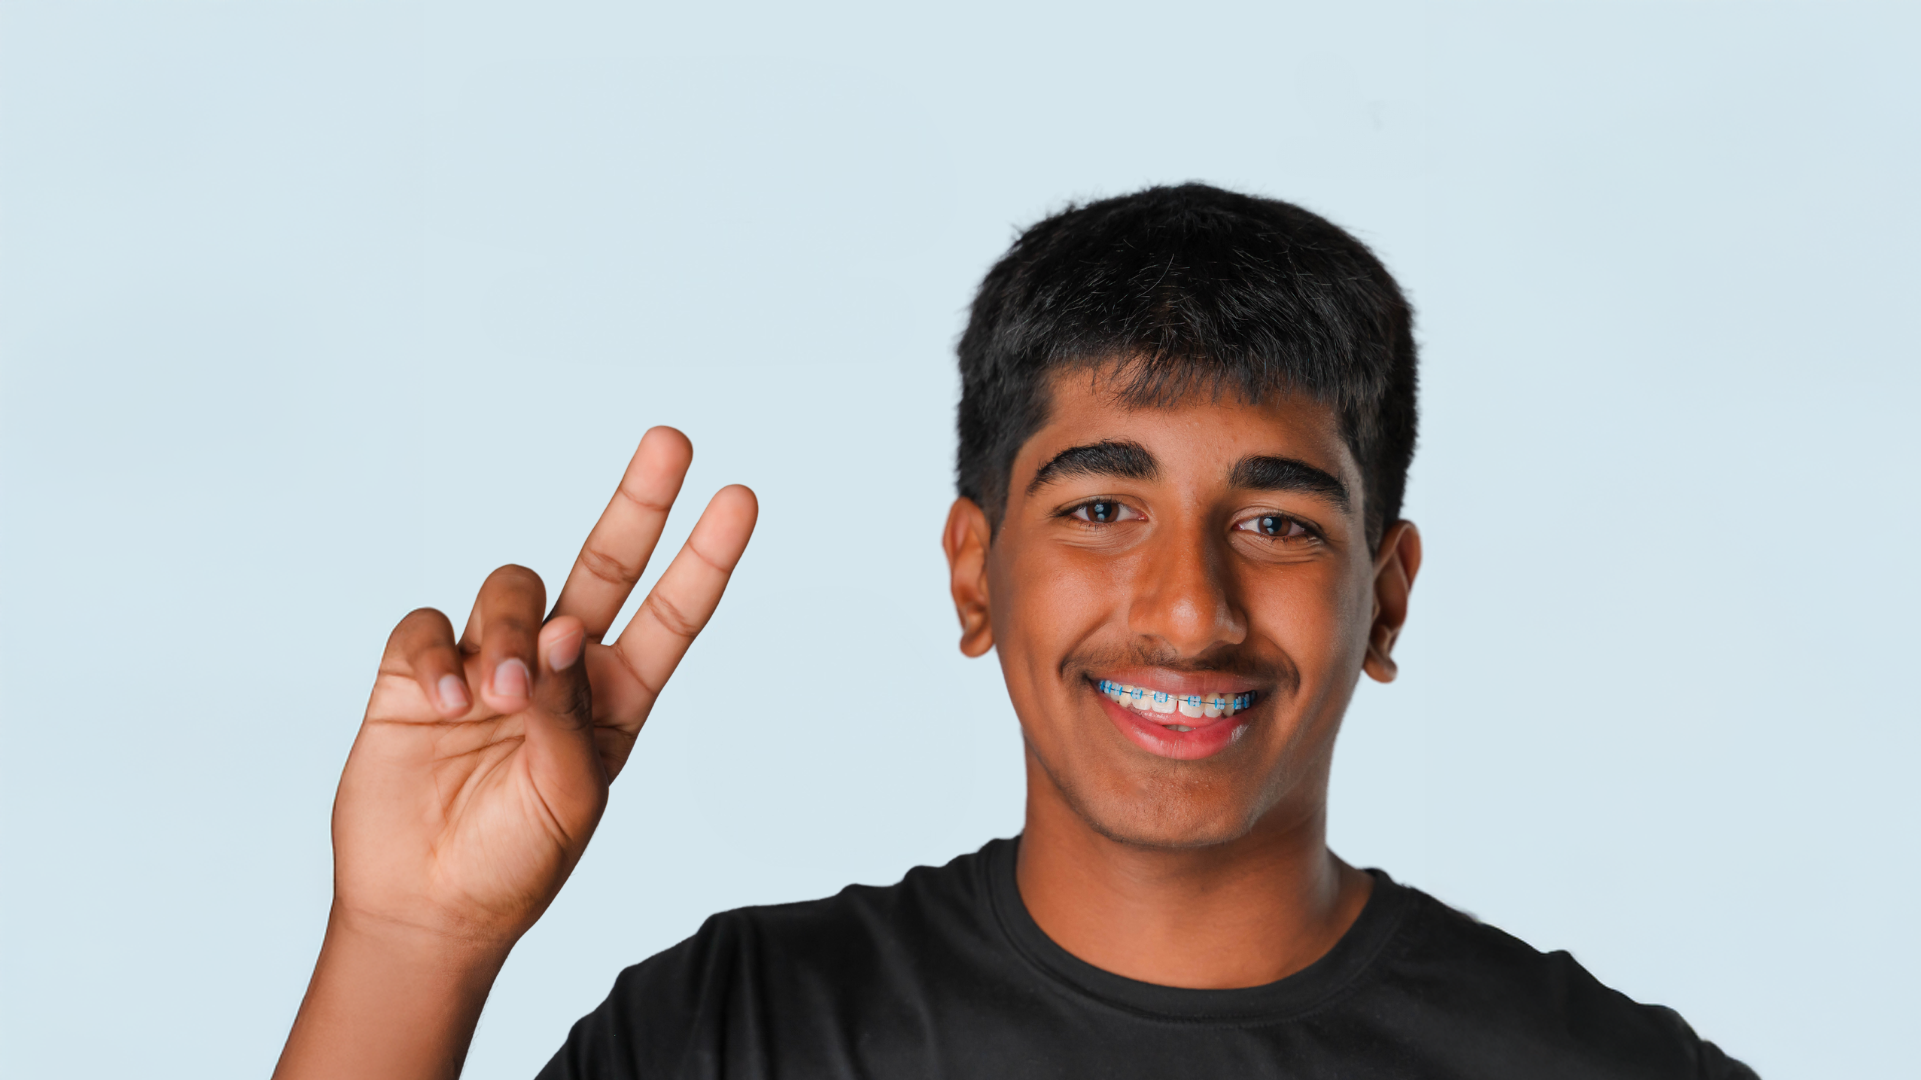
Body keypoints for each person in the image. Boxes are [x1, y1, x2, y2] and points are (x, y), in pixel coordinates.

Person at [273, 183, 1757, 1079]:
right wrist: (410, 943)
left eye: (1281, 522)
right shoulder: (744, 1033)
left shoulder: (1595, 1069)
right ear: (973, 573)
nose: (1189, 609)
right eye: (1103, 509)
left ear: (1393, 591)